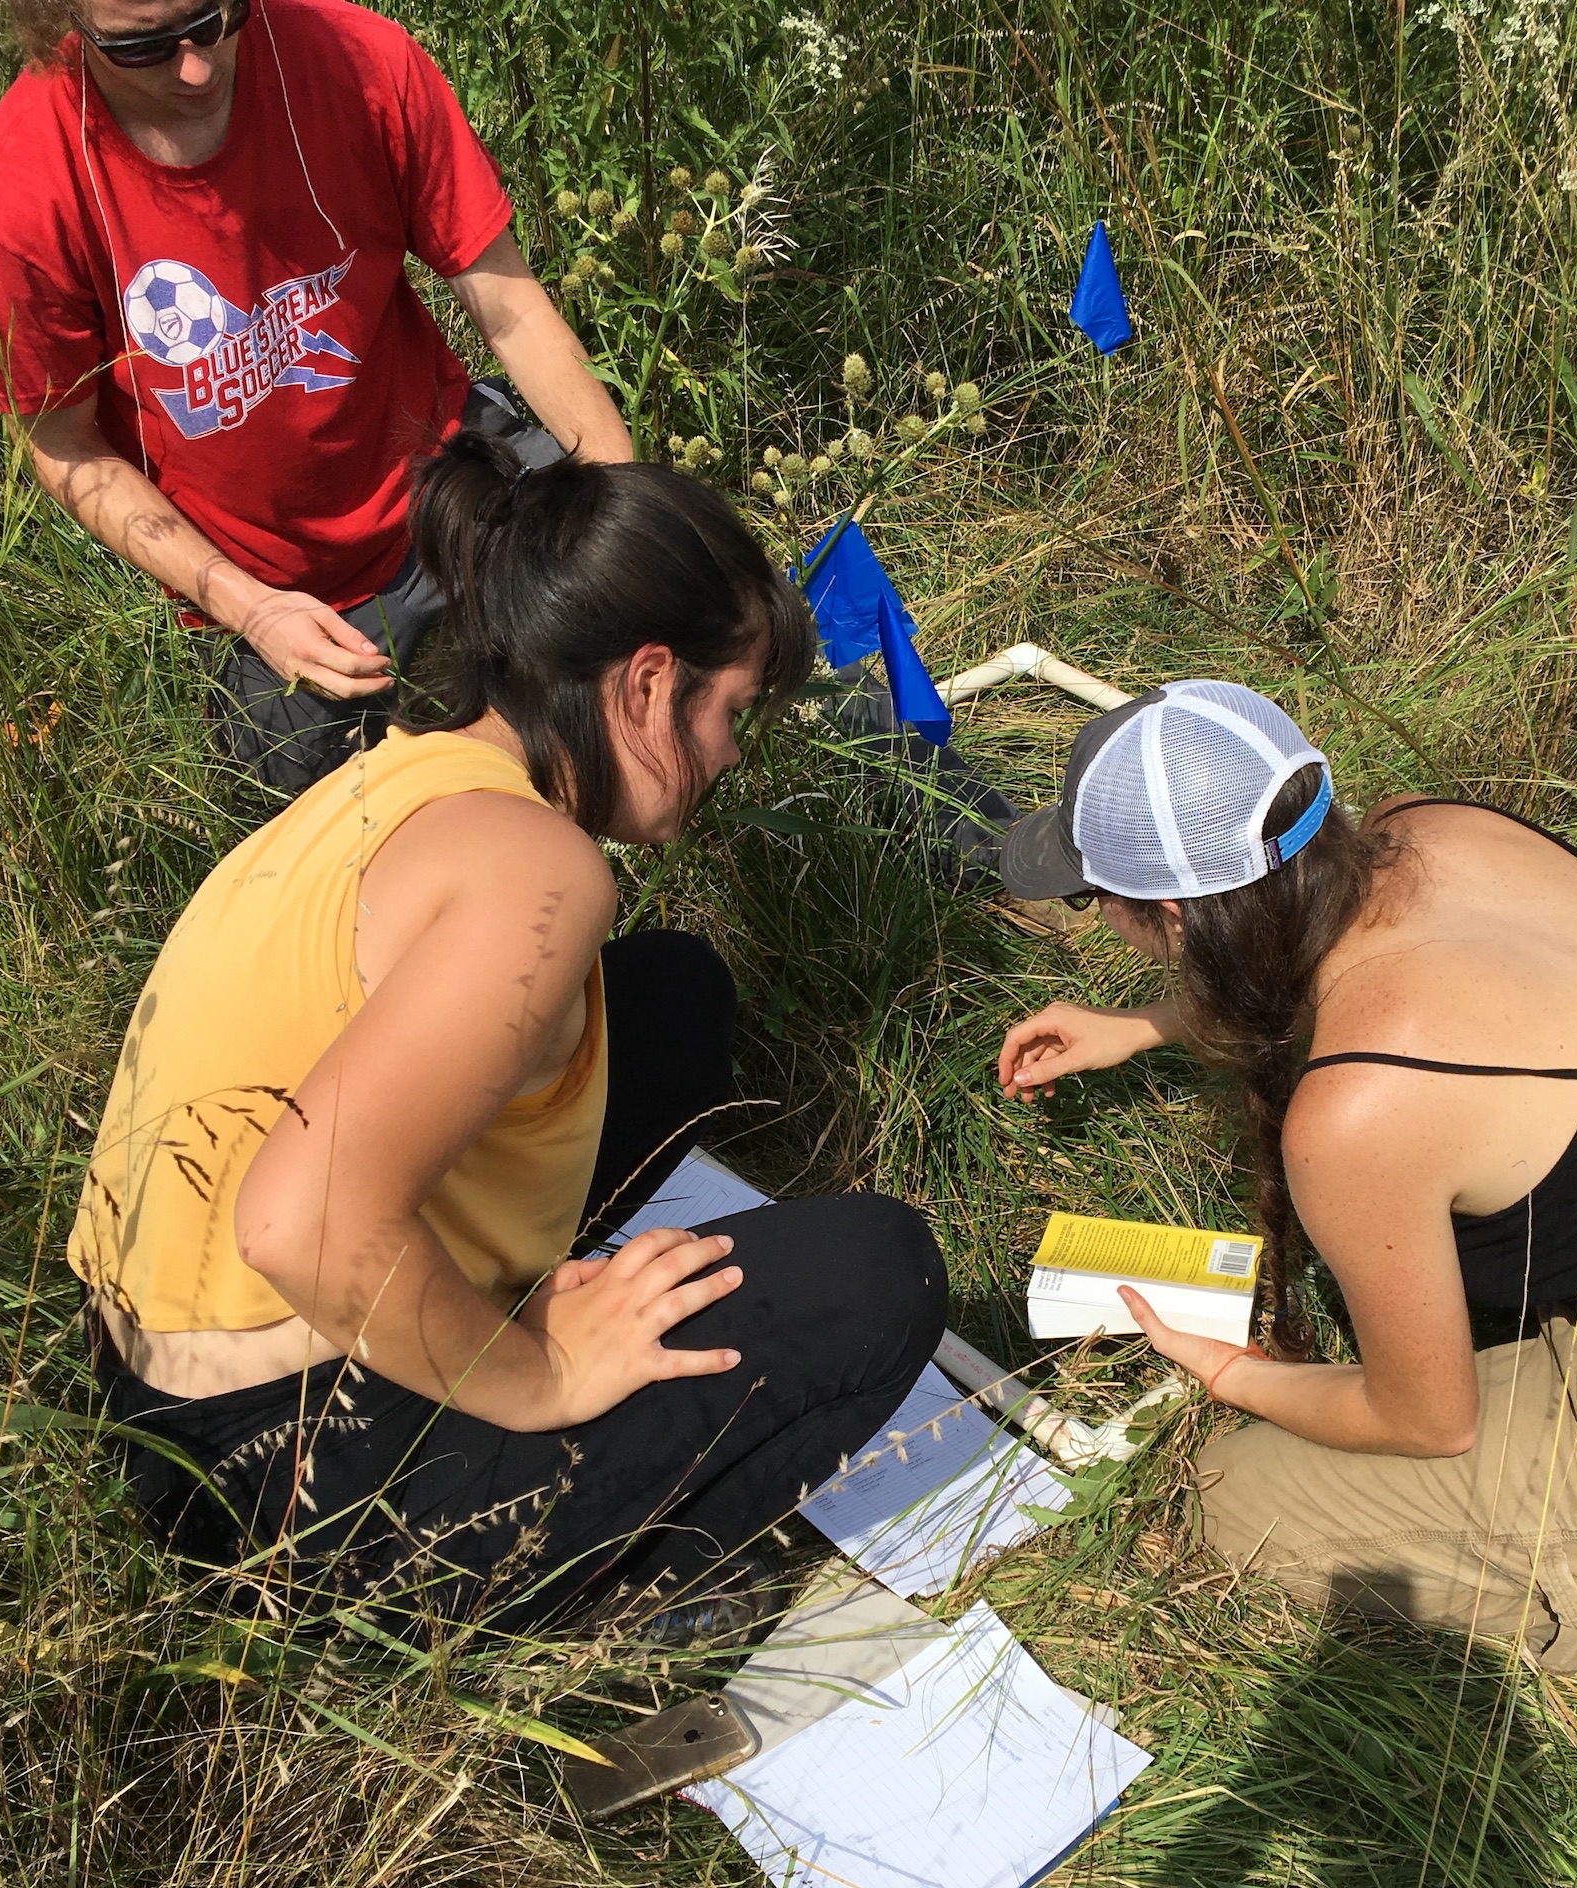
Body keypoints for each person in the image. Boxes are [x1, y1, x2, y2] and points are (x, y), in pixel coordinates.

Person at [69, 432, 947, 1637]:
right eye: (731, 711)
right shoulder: (542, 868)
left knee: (671, 996)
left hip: (143, 1380)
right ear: (646, 683)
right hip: (288, 1478)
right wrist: (542, 1375)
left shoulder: (407, 767)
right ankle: (594, 1601)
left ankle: (505, 1340)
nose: (732, 755)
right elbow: (302, 1219)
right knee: (874, 1275)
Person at [995, 679, 1577, 1766]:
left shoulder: (1353, 1113)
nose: (1095, 919)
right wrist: (1147, 1023)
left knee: (1232, 1500)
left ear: (1167, 913)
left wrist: (1229, 1371)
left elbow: (1424, 1417)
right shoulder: (1425, 833)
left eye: (1089, 898)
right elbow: (1317, 951)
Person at [0, 0, 633, 802]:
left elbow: (511, 307)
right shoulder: (24, 192)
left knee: (590, 727)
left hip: (449, 476)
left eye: (218, 17)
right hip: (265, 584)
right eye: (143, 48)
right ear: (60, 22)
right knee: (330, 848)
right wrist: (246, 607)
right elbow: (65, 444)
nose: (198, 67)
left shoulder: (360, 60)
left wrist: (630, 507)